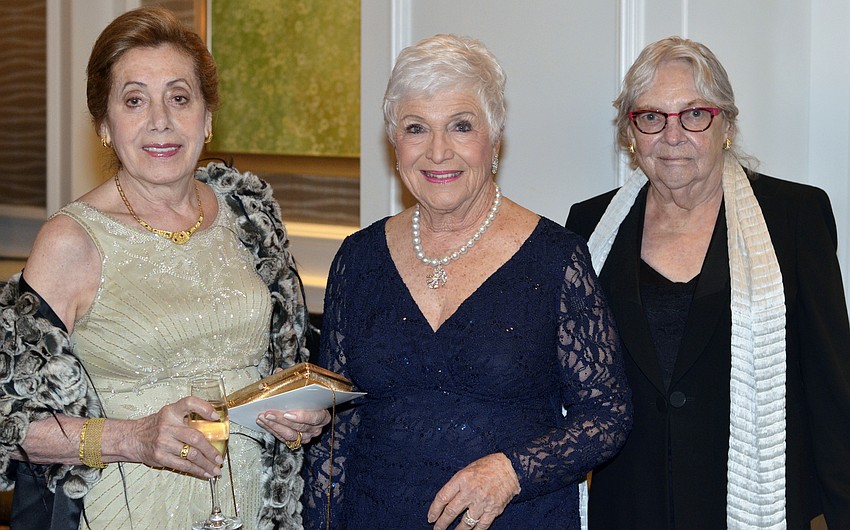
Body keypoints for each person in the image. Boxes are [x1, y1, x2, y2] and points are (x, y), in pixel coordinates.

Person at [0, 6, 330, 529]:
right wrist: (134, 436)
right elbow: (8, 422)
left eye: (180, 98)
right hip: (130, 510)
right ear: (104, 125)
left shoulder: (249, 216)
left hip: (252, 510)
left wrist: (296, 412)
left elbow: (276, 364)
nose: (161, 120)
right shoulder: (71, 241)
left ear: (208, 117)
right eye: (135, 101)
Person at [302, 33, 632, 529]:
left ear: (493, 139)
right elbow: (338, 426)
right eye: (417, 128)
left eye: (460, 126)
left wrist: (510, 472)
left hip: (516, 516)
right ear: (396, 144)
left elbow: (607, 414)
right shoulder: (359, 259)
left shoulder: (555, 259)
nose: (438, 151)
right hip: (375, 514)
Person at [566, 36, 850, 529]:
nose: (672, 135)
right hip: (627, 506)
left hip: (756, 505)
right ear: (631, 134)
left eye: (694, 114)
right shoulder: (588, 228)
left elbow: (831, 388)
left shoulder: (795, 217)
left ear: (727, 125)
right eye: (652, 117)